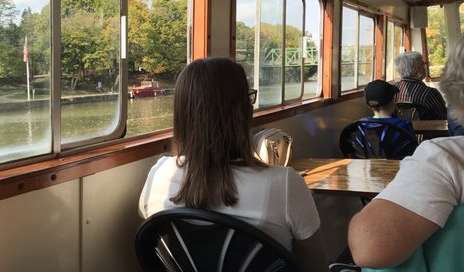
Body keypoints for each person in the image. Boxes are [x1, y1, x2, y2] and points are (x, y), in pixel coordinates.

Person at [138, 57, 327, 271]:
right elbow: (315, 266)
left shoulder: (159, 174)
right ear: (241, 112)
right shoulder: (285, 184)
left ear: (181, 114)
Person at [348, 34, 464, 269]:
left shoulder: (444, 158)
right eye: (422, 64)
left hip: (387, 167)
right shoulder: (430, 95)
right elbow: (443, 119)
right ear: (419, 70)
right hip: (411, 147)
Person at [393, 51, 447, 119]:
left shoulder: (392, 90)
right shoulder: (429, 93)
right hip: (428, 129)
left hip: (399, 129)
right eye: (423, 64)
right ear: (417, 69)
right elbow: (443, 117)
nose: (425, 66)